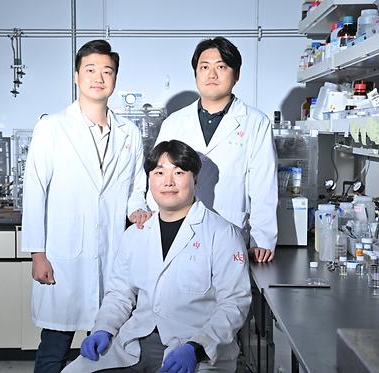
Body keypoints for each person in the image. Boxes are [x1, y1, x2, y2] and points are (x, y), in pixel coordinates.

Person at [63, 140, 252, 372]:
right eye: (159, 172)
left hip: (193, 346)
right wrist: (103, 328)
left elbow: (234, 304)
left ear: (195, 179)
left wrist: (197, 348)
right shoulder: (136, 234)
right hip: (135, 340)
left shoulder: (223, 234)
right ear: (150, 180)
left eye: (179, 172)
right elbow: (120, 294)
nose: (168, 181)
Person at [21, 39, 152, 373]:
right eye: (90, 70)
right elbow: (35, 191)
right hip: (62, 256)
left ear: (115, 79)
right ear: (77, 76)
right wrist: (37, 253)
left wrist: (137, 208)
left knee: (107, 349)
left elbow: (137, 185)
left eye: (107, 71)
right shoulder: (52, 127)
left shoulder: (130, 133)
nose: (99, 77)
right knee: (54, 346)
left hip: (112, 254)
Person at [150, 36, 278, 263]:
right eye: (204, 67)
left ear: (236, 74)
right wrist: (152, 221)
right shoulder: (174, 122)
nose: (212, 74)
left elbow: (264, 186)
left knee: (226, 295)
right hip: (177, 231)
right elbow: (158, 176)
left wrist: (262, 241)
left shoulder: (255, 122)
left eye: (221, 67)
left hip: (231, 232)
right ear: (196, 73)